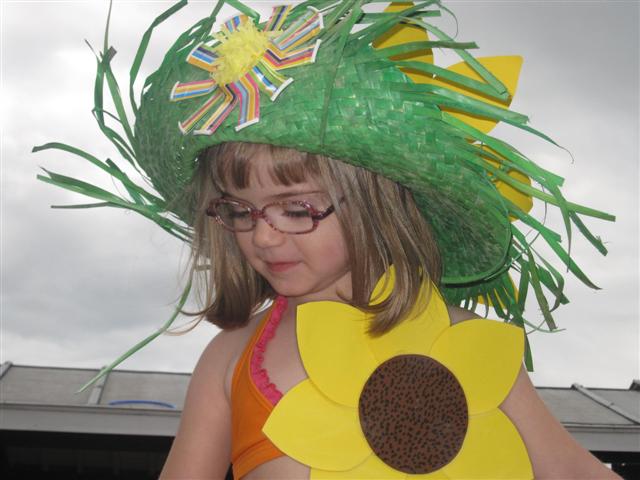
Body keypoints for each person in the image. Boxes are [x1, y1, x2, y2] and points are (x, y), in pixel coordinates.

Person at [35, 1, 620, 478]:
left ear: (375, 203)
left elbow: (572, 471)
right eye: (239, 210)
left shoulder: (469, 343)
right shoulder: (230, 360)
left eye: (296, 208)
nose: (263, 236)